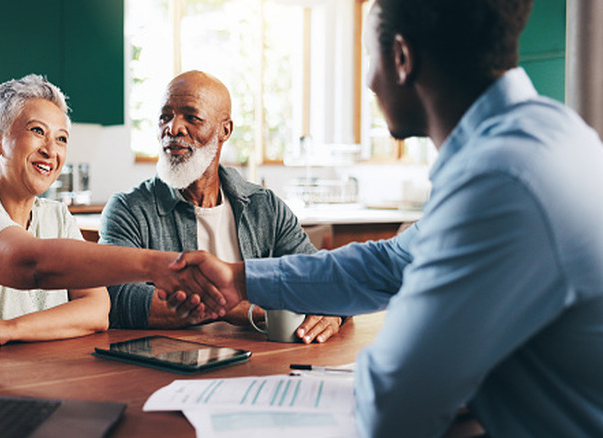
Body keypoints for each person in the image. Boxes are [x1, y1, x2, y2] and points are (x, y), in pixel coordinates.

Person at [163, 1, 603, 437]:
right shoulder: (546, 136)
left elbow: (395, 407)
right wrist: (240, 279)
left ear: (402, 58)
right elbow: (389, 263)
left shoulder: (501, 179)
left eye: (370, 59)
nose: (370, 81)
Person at [0, 74, 217, 345]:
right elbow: (30, 264)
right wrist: (157, 265)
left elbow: (97, 309)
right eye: (37, 131)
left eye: (61, 139)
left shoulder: (57, 215)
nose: (50, 150)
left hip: (46, 376)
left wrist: (8, 330)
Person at [98, 70, 344, 343]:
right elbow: (117, 298)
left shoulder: (266, 207)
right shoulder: (128, 209)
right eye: (165, 116)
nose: (173, 128)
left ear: (224, 130)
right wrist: (234, 307)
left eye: (191, 117)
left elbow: (321, 278)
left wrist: (333, 311)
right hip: (168, 369)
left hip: (262, 363)